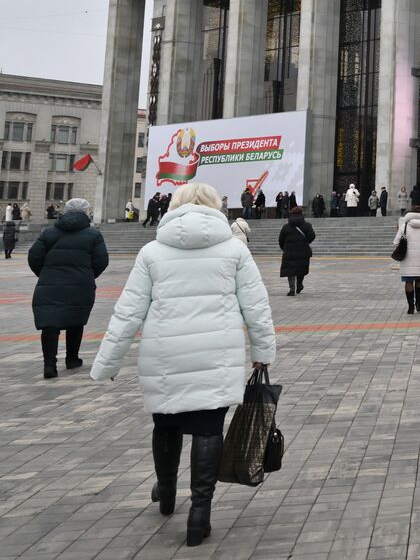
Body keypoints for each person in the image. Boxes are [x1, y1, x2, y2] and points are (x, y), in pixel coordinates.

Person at [90, 181, 275, 548]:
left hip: (164, 353)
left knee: (167, 422)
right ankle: (199, 514)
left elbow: (129, 311)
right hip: (216, 352)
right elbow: (256, 305)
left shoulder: (152, 251)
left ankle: (168, 491)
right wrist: (263, 351)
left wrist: (107, 362)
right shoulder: (234, 250)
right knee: (208, 428)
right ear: (214, 207)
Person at [29, 198, 109, 378]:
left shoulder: (49, 233)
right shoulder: (93, 235)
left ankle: (49, 365)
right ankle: (72, 359)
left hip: (49, 285)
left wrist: (45, 274)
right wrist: (87, 275)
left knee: (50, 323)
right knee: (76, 319)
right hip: (80, 285)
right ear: (86, 213)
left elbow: (34, 256)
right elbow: (101, 261)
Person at [393, 205, 420, 314]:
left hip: (407, 258)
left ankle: (410, 306)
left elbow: (396, 242)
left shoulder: (404, 226)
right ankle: (419, 304)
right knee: (419, 279)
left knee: (408, 281)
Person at [278, 206, 316, 296]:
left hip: (289, 252)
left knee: (290, 270)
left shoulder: (286, 227)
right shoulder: (307, 225)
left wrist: (285, 248)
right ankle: (299, 285)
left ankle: (292, 289)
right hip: (303, 251)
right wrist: (306, 242)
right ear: (301, 214)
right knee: (300, 269)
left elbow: (281, 240)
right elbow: (312, 236)